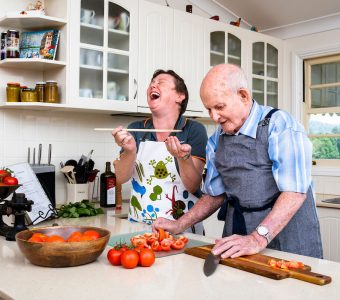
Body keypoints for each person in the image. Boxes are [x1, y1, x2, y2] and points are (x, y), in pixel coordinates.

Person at [153, 63, 323, 259]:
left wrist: (257, 238)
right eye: (209, 109)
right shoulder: (217, 139)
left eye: (219, 107)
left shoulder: (280, 125)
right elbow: (214, 194)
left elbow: (294, 192)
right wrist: (179, 224)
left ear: (243, 96)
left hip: (290, 237)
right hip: (240, 235)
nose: (214, 117)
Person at [112, 69, 208, 234]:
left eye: (160, 82)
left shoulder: (193, 130)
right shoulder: (135, 129)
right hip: (140, 228)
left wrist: (183, 158)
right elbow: (121, 178)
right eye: (152, 83)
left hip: (182, 230)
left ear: (180, 96)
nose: (153, 85)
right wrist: (129, 151)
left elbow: (193, 185)